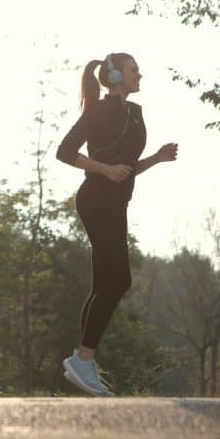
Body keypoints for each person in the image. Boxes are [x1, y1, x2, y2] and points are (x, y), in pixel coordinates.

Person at [55, 53, 178, 397]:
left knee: (104, 283)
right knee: (119, 280)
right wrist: (105, 170)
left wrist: (156, 158)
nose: (140, 74)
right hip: (96, 199)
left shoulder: (135, 114)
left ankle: (85, 362)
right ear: (114, 75)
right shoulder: (99, 111)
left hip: (115, 203)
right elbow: (64, 151)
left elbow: (127, 167)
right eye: (134, 69)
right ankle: (83, 359)